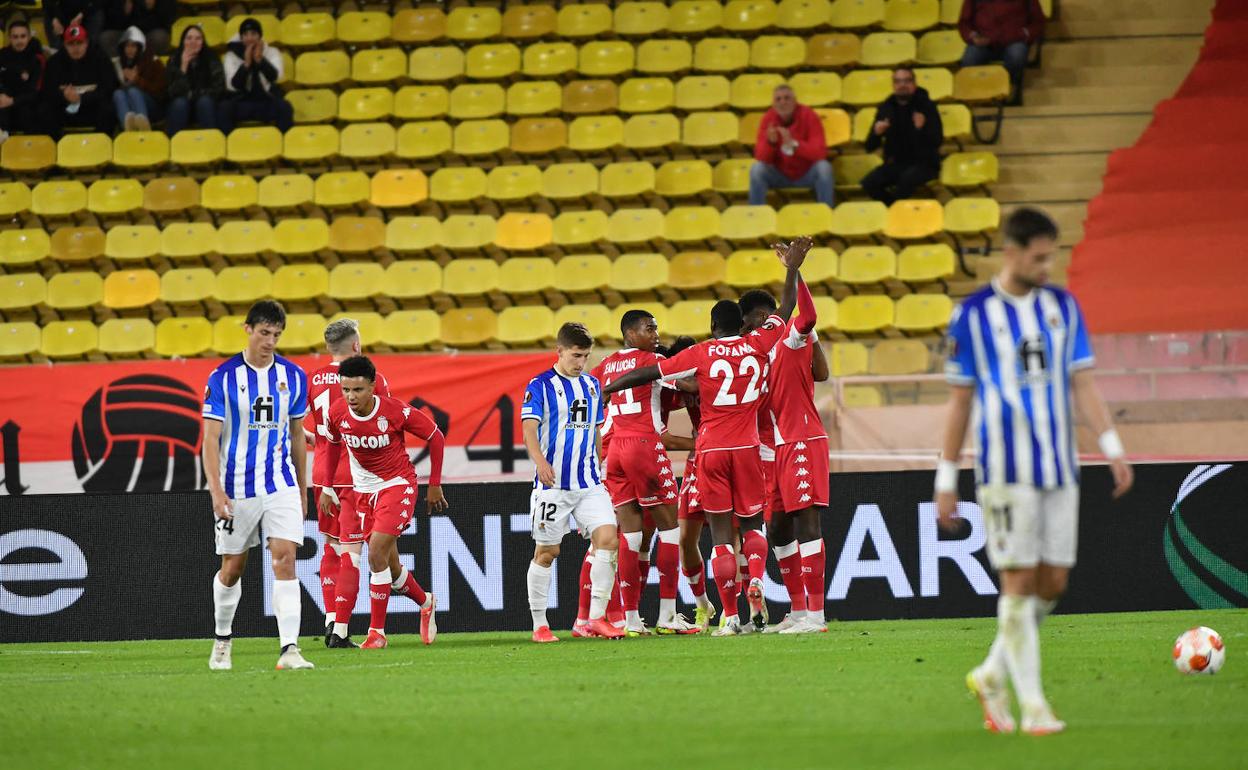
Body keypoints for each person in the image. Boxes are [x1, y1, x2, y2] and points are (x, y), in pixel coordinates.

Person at [936, 207, 1133, 735]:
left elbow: (1083, 384)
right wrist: (946, 478)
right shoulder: (974, 315)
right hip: (1005, 469)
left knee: (1054, 582)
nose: (1048, 267)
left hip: (1060, 468)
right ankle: (1035, 708)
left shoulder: (1063, 308)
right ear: (1012, 252)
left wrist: (1112, 446)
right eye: (1039, 258)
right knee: (1019, 581)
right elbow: (960, 402)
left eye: (1052, 257)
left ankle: (993, 673)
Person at [603, 238, 816, 635]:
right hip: (749, 447)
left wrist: (609, 387)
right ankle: (756, 574)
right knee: (752, 526)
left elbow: (651, 373)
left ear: (713, 327)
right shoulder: (760, 341)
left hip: (711, 450)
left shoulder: (699, 354)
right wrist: (792, 267)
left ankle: (730, 616)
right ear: (742, 324)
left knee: (718, 537)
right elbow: (786, 310)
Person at [202, 301, 313, 672]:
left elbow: (298, 436)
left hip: (279, 483)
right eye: (264, 332)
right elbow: (210, 440)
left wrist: (302, 488)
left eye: (277, 334)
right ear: (247, 329)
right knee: (232, 567)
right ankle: (222, 638)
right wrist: (216, 491)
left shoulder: (294, 377)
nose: (270, 341)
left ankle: (290, 649)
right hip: (236, 488)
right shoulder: (223, 377)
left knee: (285, 557)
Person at [318, 355, 445, 650]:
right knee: (391, 566)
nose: (350, 396)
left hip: (397, 485)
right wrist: (327, 486)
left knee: (375, 552)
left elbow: (436, 437)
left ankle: (377, 632)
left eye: (358, 390)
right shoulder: (337, 413)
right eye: (346, 389)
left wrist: (435, 484)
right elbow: (333, 446)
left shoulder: (395, 410)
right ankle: (426, 602)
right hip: (363, 493)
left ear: (373, 386)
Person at [589, 310, 699, 636]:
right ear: (630, 332)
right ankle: (667, 615)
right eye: (649, 328)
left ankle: (631, 619)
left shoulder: (607, 364)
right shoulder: (649, 361)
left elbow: (592, 389)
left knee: (632, 536)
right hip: (644, 445)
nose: (655, 333)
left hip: (615, 452)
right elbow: (690, 384)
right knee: (668, 532)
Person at [522, 322, 623, 643]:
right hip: (553, 486)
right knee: (547, 552)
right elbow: (529, 427)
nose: (581, 363)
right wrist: (540, 462)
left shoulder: (593, 386)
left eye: (586, 356)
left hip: (589, 483)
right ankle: (540, 624)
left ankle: (595, 619)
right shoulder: (540, 385)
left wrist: (598, 465)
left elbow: (594, 431)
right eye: (576, 356)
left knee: (608, 539)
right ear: (560, 352)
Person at [739, 290, 831, 634]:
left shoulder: (789, 339)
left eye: (747, 324)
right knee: (777, 528)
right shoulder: (761, 353)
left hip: (802, 439)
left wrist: (796, 271)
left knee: (807, 523)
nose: (747, 333)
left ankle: (816, 617)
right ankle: (797, 611)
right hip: (778, 448)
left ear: (760, 319)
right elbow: (820, 374)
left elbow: (807, 316)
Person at [306, 319, 391, 648]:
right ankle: (341, 630)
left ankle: (330, 618)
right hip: (357, 476)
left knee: (331, 545)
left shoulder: (312, 379)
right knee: (354, 554)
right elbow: (382, 426)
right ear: (355, 345)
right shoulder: (372, 381)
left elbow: (303, 428)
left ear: (329, 347)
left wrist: (321, 442)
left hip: (323, 476)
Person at [860, 67, 943, 206]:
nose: (902, 85)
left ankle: (893, 212)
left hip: (925, 164)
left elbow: (937, 141)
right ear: (893, 85)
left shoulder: (927, 106)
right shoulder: (886, 108)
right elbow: (869, 146)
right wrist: (877, 134)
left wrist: (920, 129)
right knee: (869, 183)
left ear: (914, 84)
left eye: (907, 81)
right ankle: (893, 208)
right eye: (898, 81)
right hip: (897, 163)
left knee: (907, 178)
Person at [750, 84, 834, 208]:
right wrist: (771, 143)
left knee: (824, 167)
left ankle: (827, 213)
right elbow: (762, 157)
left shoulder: (809, 115)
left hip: (806, 173)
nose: (782, 102)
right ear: (773, 104)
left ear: (795, 101)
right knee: (756, 169)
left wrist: (795, 145)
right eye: (778, 99)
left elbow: (820, 153)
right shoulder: (768, 118)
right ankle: (755, 217)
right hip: (779, 175)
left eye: (787, 98)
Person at [38, 23, 116, 137]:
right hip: (64, 108)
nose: (76, 48)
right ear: (64, 44)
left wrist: (82, 98)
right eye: (71, 44)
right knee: (43, 110)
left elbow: (109, 88)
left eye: (79, 43)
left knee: (108, 109)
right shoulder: (54, 62)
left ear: (87, 43)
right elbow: (47, 91)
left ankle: (98, 148)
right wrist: (63, 95)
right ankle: (58, 148)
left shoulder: (101, 59)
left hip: (91, 107)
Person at [218, 18, 292, 134]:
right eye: (246, 35)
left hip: (265, 100)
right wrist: (246, 65)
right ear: (241, 38)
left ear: (260, 36)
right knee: (224, 108)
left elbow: (276, 77)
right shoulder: (231, 56)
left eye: (253, 34)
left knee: (285, 107)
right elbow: (232, 86)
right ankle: (231, 145)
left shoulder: (272, 52)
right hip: (242, 102)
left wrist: (260, 60)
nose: (250, 38)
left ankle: (280, 143)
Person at [959, 0, 1045, 99]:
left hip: (1014, 40)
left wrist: (1024, 34)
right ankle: (976, 95)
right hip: (984, 42)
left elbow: (1038, 21)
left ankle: (1009, 87)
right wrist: (973, 37)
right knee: (969, 59)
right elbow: (964, 23)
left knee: (1017, 56)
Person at [164, 23, 222, 135]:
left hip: (205, 106)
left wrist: (192, 95)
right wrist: (183, 67)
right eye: (189, 38)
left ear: (202, 42)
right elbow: (171, 92)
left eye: (198, 38)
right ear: (183, 41)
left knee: (204, 102)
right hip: (181, 107)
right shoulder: (173, 59)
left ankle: (211, 145)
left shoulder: (212, 58)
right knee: (180, 103)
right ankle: (174, 147)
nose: (193, 42)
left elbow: (218, 89)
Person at [110, 26, 164, 131]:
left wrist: (137, 80)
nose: (129, 50)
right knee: (118, 94)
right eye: (127, 46)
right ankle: (128, 128)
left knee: (133, 91)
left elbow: (160, 92)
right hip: (127, 104)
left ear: (140, 47)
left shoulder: (154, 62)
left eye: (133, 46)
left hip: (153, 107)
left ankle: (144, 126)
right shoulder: (117, 63)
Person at [0, 19, 46, 140]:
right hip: (4, 102)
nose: (19, 40)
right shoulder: (2, 56)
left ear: (29, 37)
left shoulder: (37, 59)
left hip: (27, 105)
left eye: (23, 36)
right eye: (15, 37)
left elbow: (37, 91)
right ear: (9, 38)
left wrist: (13, 100)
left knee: (27, 112)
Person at [100, 0, 173, 56]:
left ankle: (145, 66)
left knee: (160, 38)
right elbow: (112, 22)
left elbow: (165, 19)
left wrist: (150, 9)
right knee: (106, 38)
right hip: (127, 34)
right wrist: (125, 13)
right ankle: (122, 67)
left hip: (149, 34)